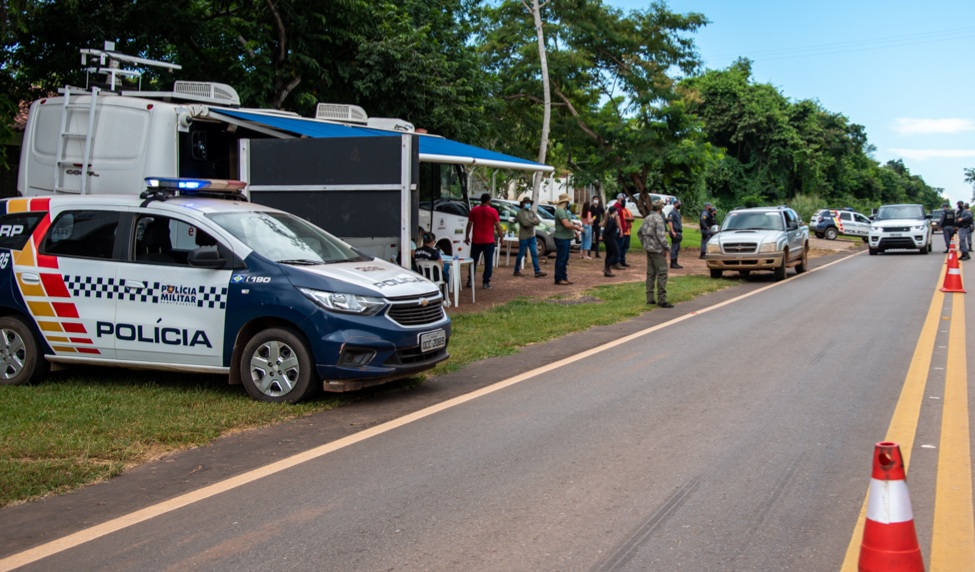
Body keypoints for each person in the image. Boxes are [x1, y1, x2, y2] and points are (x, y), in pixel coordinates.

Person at [464, 192, 505, 289]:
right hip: (488, 240)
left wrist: (467, 236)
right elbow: (498, 226)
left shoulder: (474, 210)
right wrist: (501, 237)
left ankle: (470, 280)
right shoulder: (493, 211)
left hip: (476, 240)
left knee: (473, 261)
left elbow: (469, 224)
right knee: (488, 262)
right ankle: (486, 282)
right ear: (488, 200)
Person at [638, 200, 673, 308]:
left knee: (651, 273)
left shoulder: (647, 218)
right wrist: (667, 248)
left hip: (649, 249)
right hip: (658, 250)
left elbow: (639, 232)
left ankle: (650, 298)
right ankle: (662, 299)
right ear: (661, 208)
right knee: (662, 272)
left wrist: (645, 243)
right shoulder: (659, 219)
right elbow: (661, 236)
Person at [513, 195, 548, 278]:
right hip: (524, 236)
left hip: (531, 236)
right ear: (523, 203)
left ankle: (537, 271)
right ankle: (516, 270)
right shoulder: (520, 213)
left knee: (534, 253)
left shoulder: (531, 212)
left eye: (529, 202)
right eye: (526, 202)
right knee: (521, 254)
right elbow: (525, 224)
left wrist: (530, 222)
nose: (528, 204)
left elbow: (538, 221)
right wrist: (533, 221)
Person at [553, 193, 578, 285]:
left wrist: (574, 230)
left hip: (566, 238)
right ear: (565, 201)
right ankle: (559, 278)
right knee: (561, 258)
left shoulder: (564, 210)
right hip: (561, 238)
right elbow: (566, 224)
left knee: (565, 258)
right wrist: (577, 228)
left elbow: (569, 222)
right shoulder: (560, 211)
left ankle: (564, 276)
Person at [602, 204, 622, 277]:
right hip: (610, 238)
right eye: (616, 211)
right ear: (614, 211)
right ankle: (607, 267)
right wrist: (604, 235)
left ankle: (607, 269)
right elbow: (607, 230)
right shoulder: (611, 221)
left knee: (609, 253)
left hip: (608, 238)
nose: (617, 212)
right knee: (615, 253)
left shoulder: (610, 219)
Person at [616, 193, 634, 267]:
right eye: (623, 200)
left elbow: (632, 217)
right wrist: (628, 219)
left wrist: (630, 219)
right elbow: (620, 219)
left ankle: (623, 261)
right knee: (620, 247)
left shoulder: (626, 209)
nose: (624, 201)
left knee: (626, 247)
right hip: (622, 231)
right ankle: (618, 261)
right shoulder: (618, 208)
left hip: (628, 231)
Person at [668, 200, 683, 269]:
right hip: (674, 232)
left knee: (677, 248)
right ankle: (673, 263)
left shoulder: (677, 213)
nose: (679, 205)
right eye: (678, 204)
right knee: (674, 248)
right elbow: (670, 222)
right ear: (675, 204)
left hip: (678, 232)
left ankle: (675, 262)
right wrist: (672, 231)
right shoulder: (672, 213)